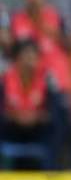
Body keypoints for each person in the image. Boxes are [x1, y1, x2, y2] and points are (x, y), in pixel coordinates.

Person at [0, 40, 58, 169]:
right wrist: (16, 117)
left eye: (34, 56)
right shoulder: (5, 79)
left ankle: (51, 174)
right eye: (27, 56)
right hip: (11, 129)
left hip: (37, 128)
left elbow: (53, 110)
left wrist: (36, 117)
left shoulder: (47, 79)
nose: (31, 61)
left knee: (56, 125)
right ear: (17, 59)